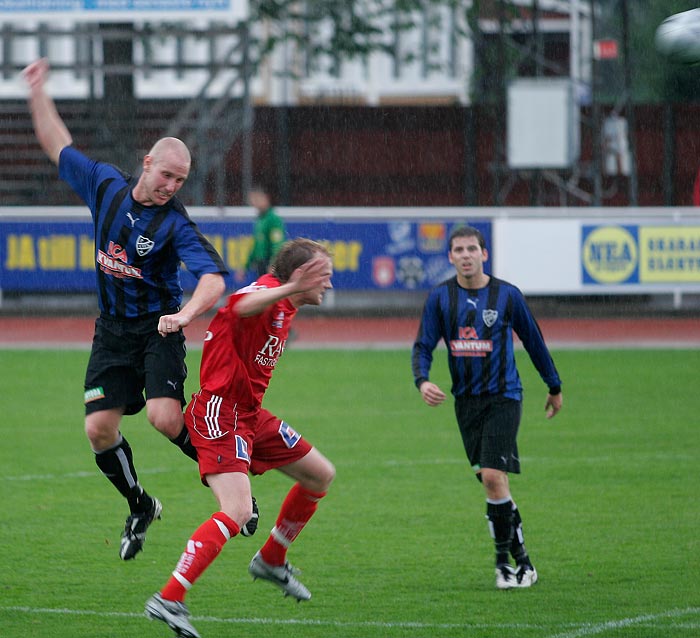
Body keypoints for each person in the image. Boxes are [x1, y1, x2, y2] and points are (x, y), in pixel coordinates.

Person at [22, 58, 240, 561]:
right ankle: (140, 504)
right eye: (166, 175)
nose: (170, 186)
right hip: (112, 332)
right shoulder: (104, 185)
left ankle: (233, 488)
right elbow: (58, 144)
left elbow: (213, 277)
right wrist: (38, 91)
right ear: (147, 162)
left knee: (165, 418)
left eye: (180, 181)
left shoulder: (174, 222)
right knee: (98, 428)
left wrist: (186, 316)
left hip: (158, 330)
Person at [144, 238, 335, 637]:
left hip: (248, 414)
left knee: (320, 475)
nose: (329, 285)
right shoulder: (267, 291)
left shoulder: (285, 303)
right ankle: (169, 598)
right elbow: (238, 305)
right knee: (237, 511)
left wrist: (293, 291)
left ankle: (271, 558)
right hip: (219, 411)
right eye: (323, 276)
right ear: (299, 276)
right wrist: (290, 287)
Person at [411, 225, 562, 590]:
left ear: (484, 254)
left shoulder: (507, 296)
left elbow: (534, 341)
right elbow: (423, 346)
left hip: (504, 397)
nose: (465, 255)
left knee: (493, 477)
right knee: (495, 485)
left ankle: (502, 567)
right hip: (466, 403)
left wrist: (553, 385)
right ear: (450, 257)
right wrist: (423, 380)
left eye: (471, 249)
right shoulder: (440, 298)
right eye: (458, 250)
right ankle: (523, 560)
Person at [236, 185, 286, 283]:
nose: (255, 203)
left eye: (257, 199)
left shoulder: (273, 219)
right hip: (260, 264)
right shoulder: (260, 220)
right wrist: (245, 267)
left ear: (266, 198)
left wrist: (273, 263)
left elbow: (277, 243)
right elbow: (256, 246)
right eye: (252, 200)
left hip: (268, 262)